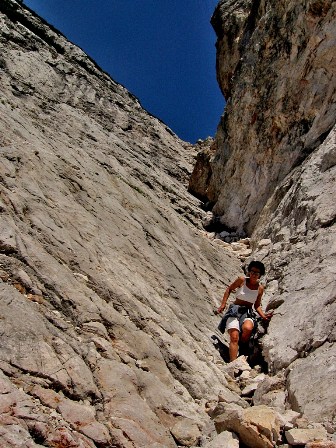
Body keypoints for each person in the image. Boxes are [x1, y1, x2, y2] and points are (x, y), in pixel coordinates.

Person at [217, 261, 273, 362]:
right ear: (249, 272)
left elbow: (256, 305)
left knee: (247, 328)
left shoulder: (260, 289)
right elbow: (229, 289)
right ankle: (233, 364)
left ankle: (242, 349)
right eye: (252, 271)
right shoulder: (242, 280)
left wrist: (263, 316)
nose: (254, 274)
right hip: (235, 310)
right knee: (234, 337)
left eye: (257, 273)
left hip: (247, 312)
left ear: (260, 275)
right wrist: (223, 304)